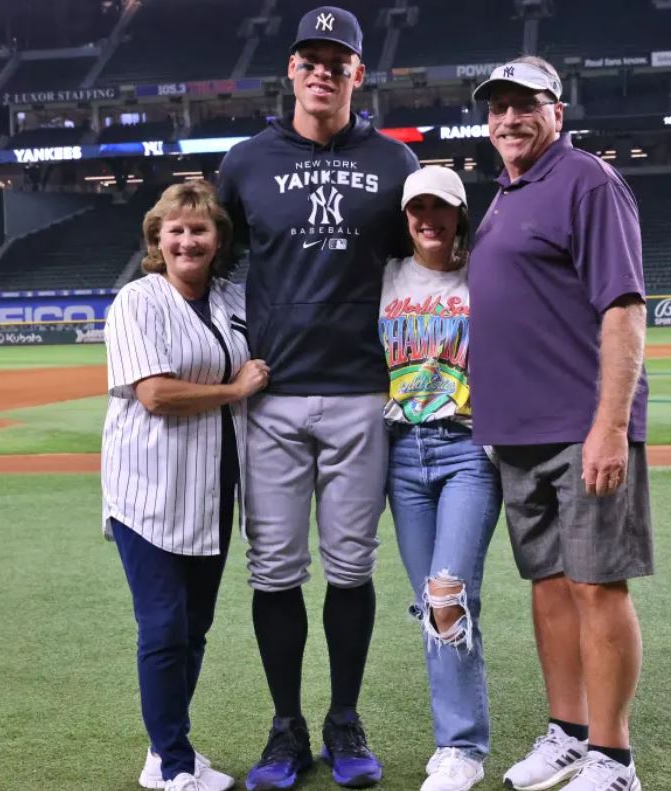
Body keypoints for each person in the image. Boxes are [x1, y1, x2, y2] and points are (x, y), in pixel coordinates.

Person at [216, 6, 420, 790]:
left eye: (338, 60)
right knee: (273, 570)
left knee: (348, 567)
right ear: (292, 71)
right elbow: (208, 253)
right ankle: (284, 727)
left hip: (362, 392)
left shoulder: (396, 165)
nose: (322, 70)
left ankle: (342, 716)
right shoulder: (244, 162)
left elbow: (424, 266)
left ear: (358, 73)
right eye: (311, 57)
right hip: (269, 394)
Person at [468, 56, 653, 791]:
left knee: (597, 586)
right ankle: (568, 733)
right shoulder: (505, 194)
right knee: (547, 585)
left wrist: (609, 425)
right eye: (497, 108)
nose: (509, 119)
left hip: (580, 426)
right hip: (516, 433)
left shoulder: (586, 180)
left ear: (557, 111)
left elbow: (623, 308)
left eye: (525, 105)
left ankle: (613, 757)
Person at [102, 182, 270, 791]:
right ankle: (173, 766)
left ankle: (163, 747)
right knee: (165, 627)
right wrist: (233, 390)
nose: (187, 239)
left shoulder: (231, 299)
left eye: (199, 229)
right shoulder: (137, 300)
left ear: (218, 239)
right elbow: (154, 394)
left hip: (211, 490)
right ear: (157, 239)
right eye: (174, 229)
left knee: (193, 629)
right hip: (146, 492)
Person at [379, 167, 501, 791]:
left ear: (460, 213)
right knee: (433, 603)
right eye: (417, 208)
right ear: (405, 216)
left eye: (442, 208)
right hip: (400, 453)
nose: (429, 219)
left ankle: (462, 749)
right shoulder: (387, 277)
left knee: (449, 595)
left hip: (466, 452)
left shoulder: (485, 273)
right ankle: (455, 743)